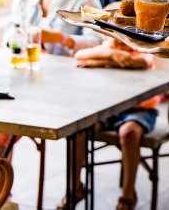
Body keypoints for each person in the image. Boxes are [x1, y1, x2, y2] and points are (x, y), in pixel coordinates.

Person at [63, 37, 158, 210]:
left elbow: (140, 62)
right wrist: (112, 55)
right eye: (116, 37)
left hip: (140, 109)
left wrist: (97, 62)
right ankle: (75, 188)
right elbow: (79, 55)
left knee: (128, 133)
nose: (120, 41)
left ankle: (127, 197)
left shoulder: (142, 47)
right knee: (78, 129)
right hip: (108, 108)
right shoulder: (108, 48)